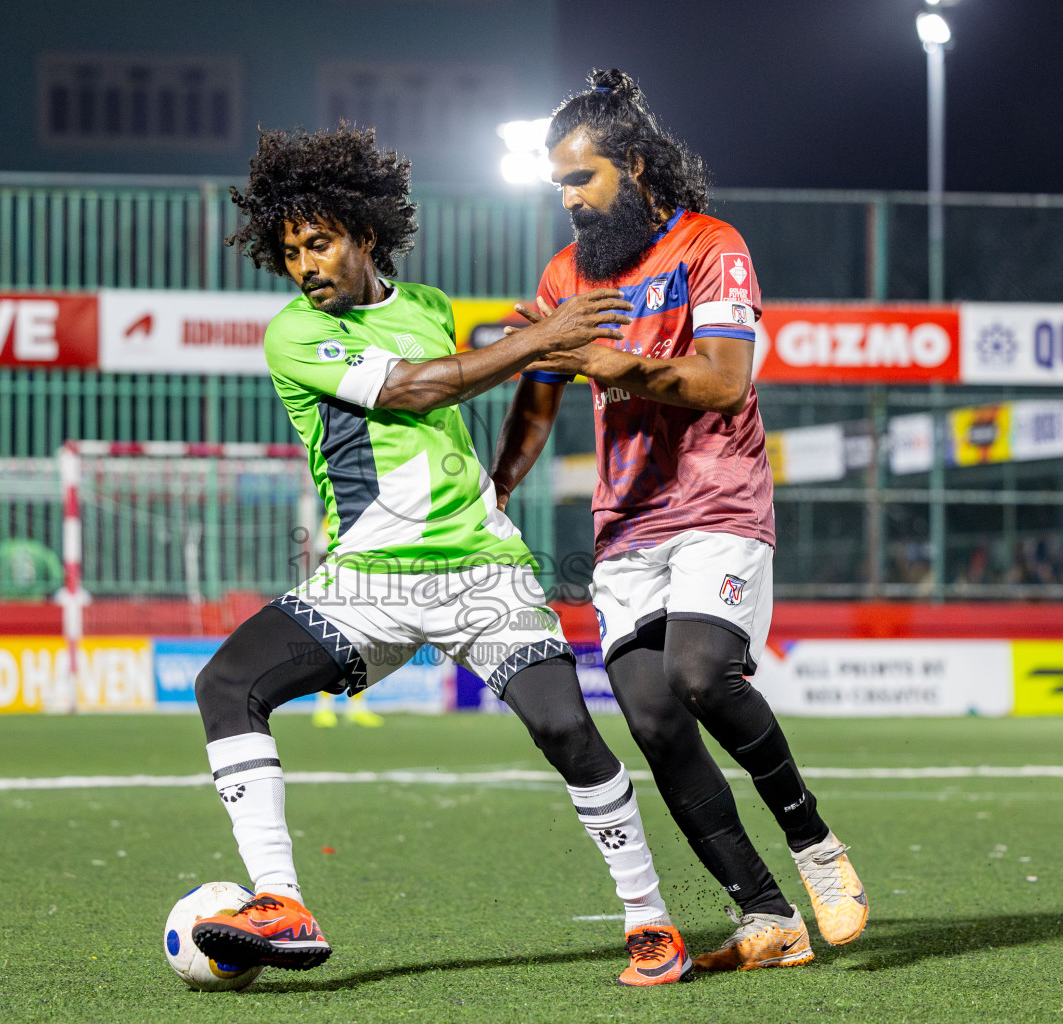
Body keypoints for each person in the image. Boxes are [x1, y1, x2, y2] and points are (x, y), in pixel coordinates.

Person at [188, 125, 695, 986]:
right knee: (227, 684)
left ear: (365, 236)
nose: (306, 266)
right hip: (368, 581)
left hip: (482, 570)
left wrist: (553, 357)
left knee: (567, 729)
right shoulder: (293, 336)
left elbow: (471, 379)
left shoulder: (424, 304)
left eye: (321, 243)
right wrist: (537, 339)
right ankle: (280, 899)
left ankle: (650, 922)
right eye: (290, 252)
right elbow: (420, 387)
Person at [491, 69, 868, 972]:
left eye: (583, 179)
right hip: (626, 526)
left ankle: (816, 848)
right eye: (560, 187)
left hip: (718, 500)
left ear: (635, 164)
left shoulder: (711, 245)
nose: (572, 201)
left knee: (701, 673)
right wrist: (497, 485)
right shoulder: (565, 275)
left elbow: (724, 380)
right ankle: (766, 917)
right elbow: (540, 400)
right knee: (654, 719)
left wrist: (611, 363)